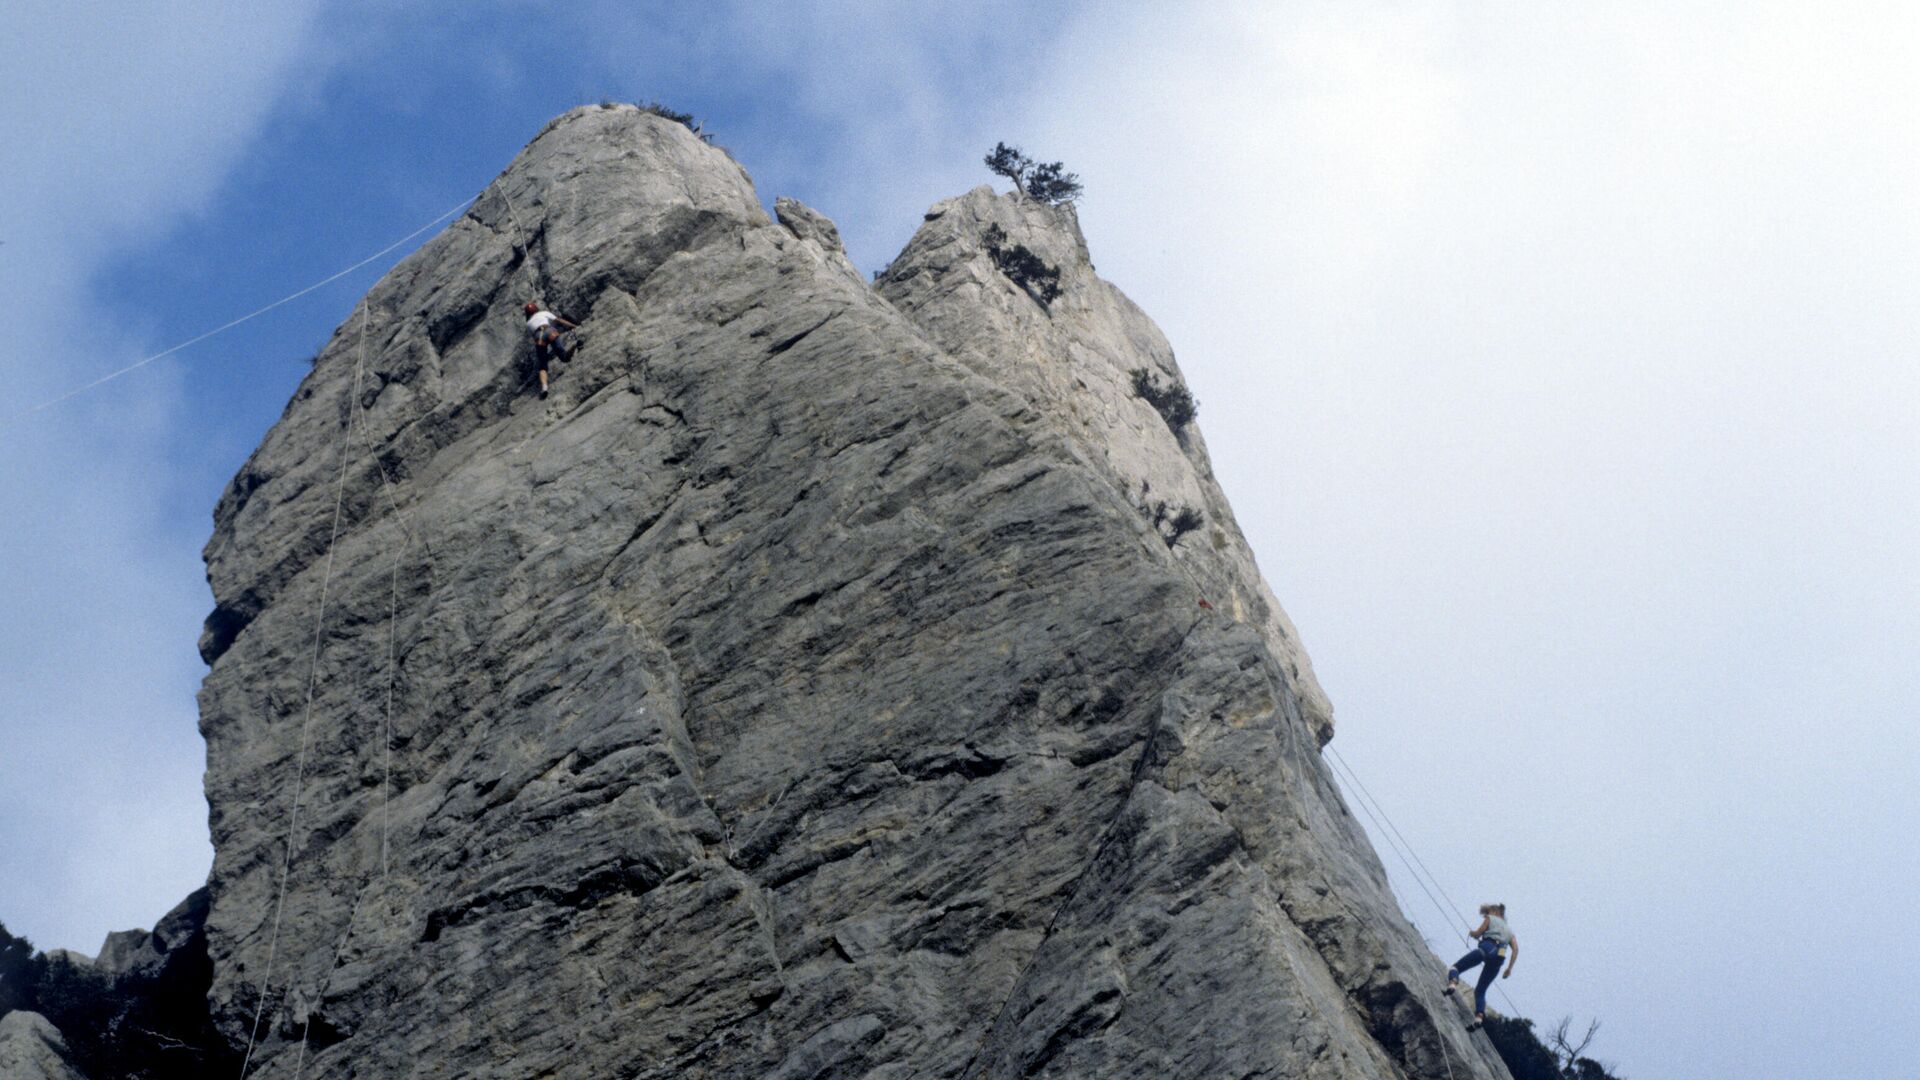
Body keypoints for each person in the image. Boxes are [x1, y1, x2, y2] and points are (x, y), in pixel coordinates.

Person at [1444, 902, 1517, 1030]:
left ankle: (1453, 984)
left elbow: (1478, 933)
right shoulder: (1510, 931)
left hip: (1487, 948)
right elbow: (1515, 949)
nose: (1486, 915)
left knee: (1455, 968)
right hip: (1500, 957)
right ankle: (1479, 1017)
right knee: (1480, 991)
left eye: (1487, 913)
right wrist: (1509, 969)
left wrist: (1473, 933)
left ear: (1494, 912)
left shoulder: (1490, 919)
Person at [523, 301, 578, 399]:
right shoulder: (544, 313)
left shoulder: (528, 324)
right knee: (564, 357)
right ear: (536, 309)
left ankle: (544, 388)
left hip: (539, 336)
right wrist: (573, 326)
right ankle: (575, 345)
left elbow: (533, 335)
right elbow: (559, 320)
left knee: (543, 366)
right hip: (550, 331)